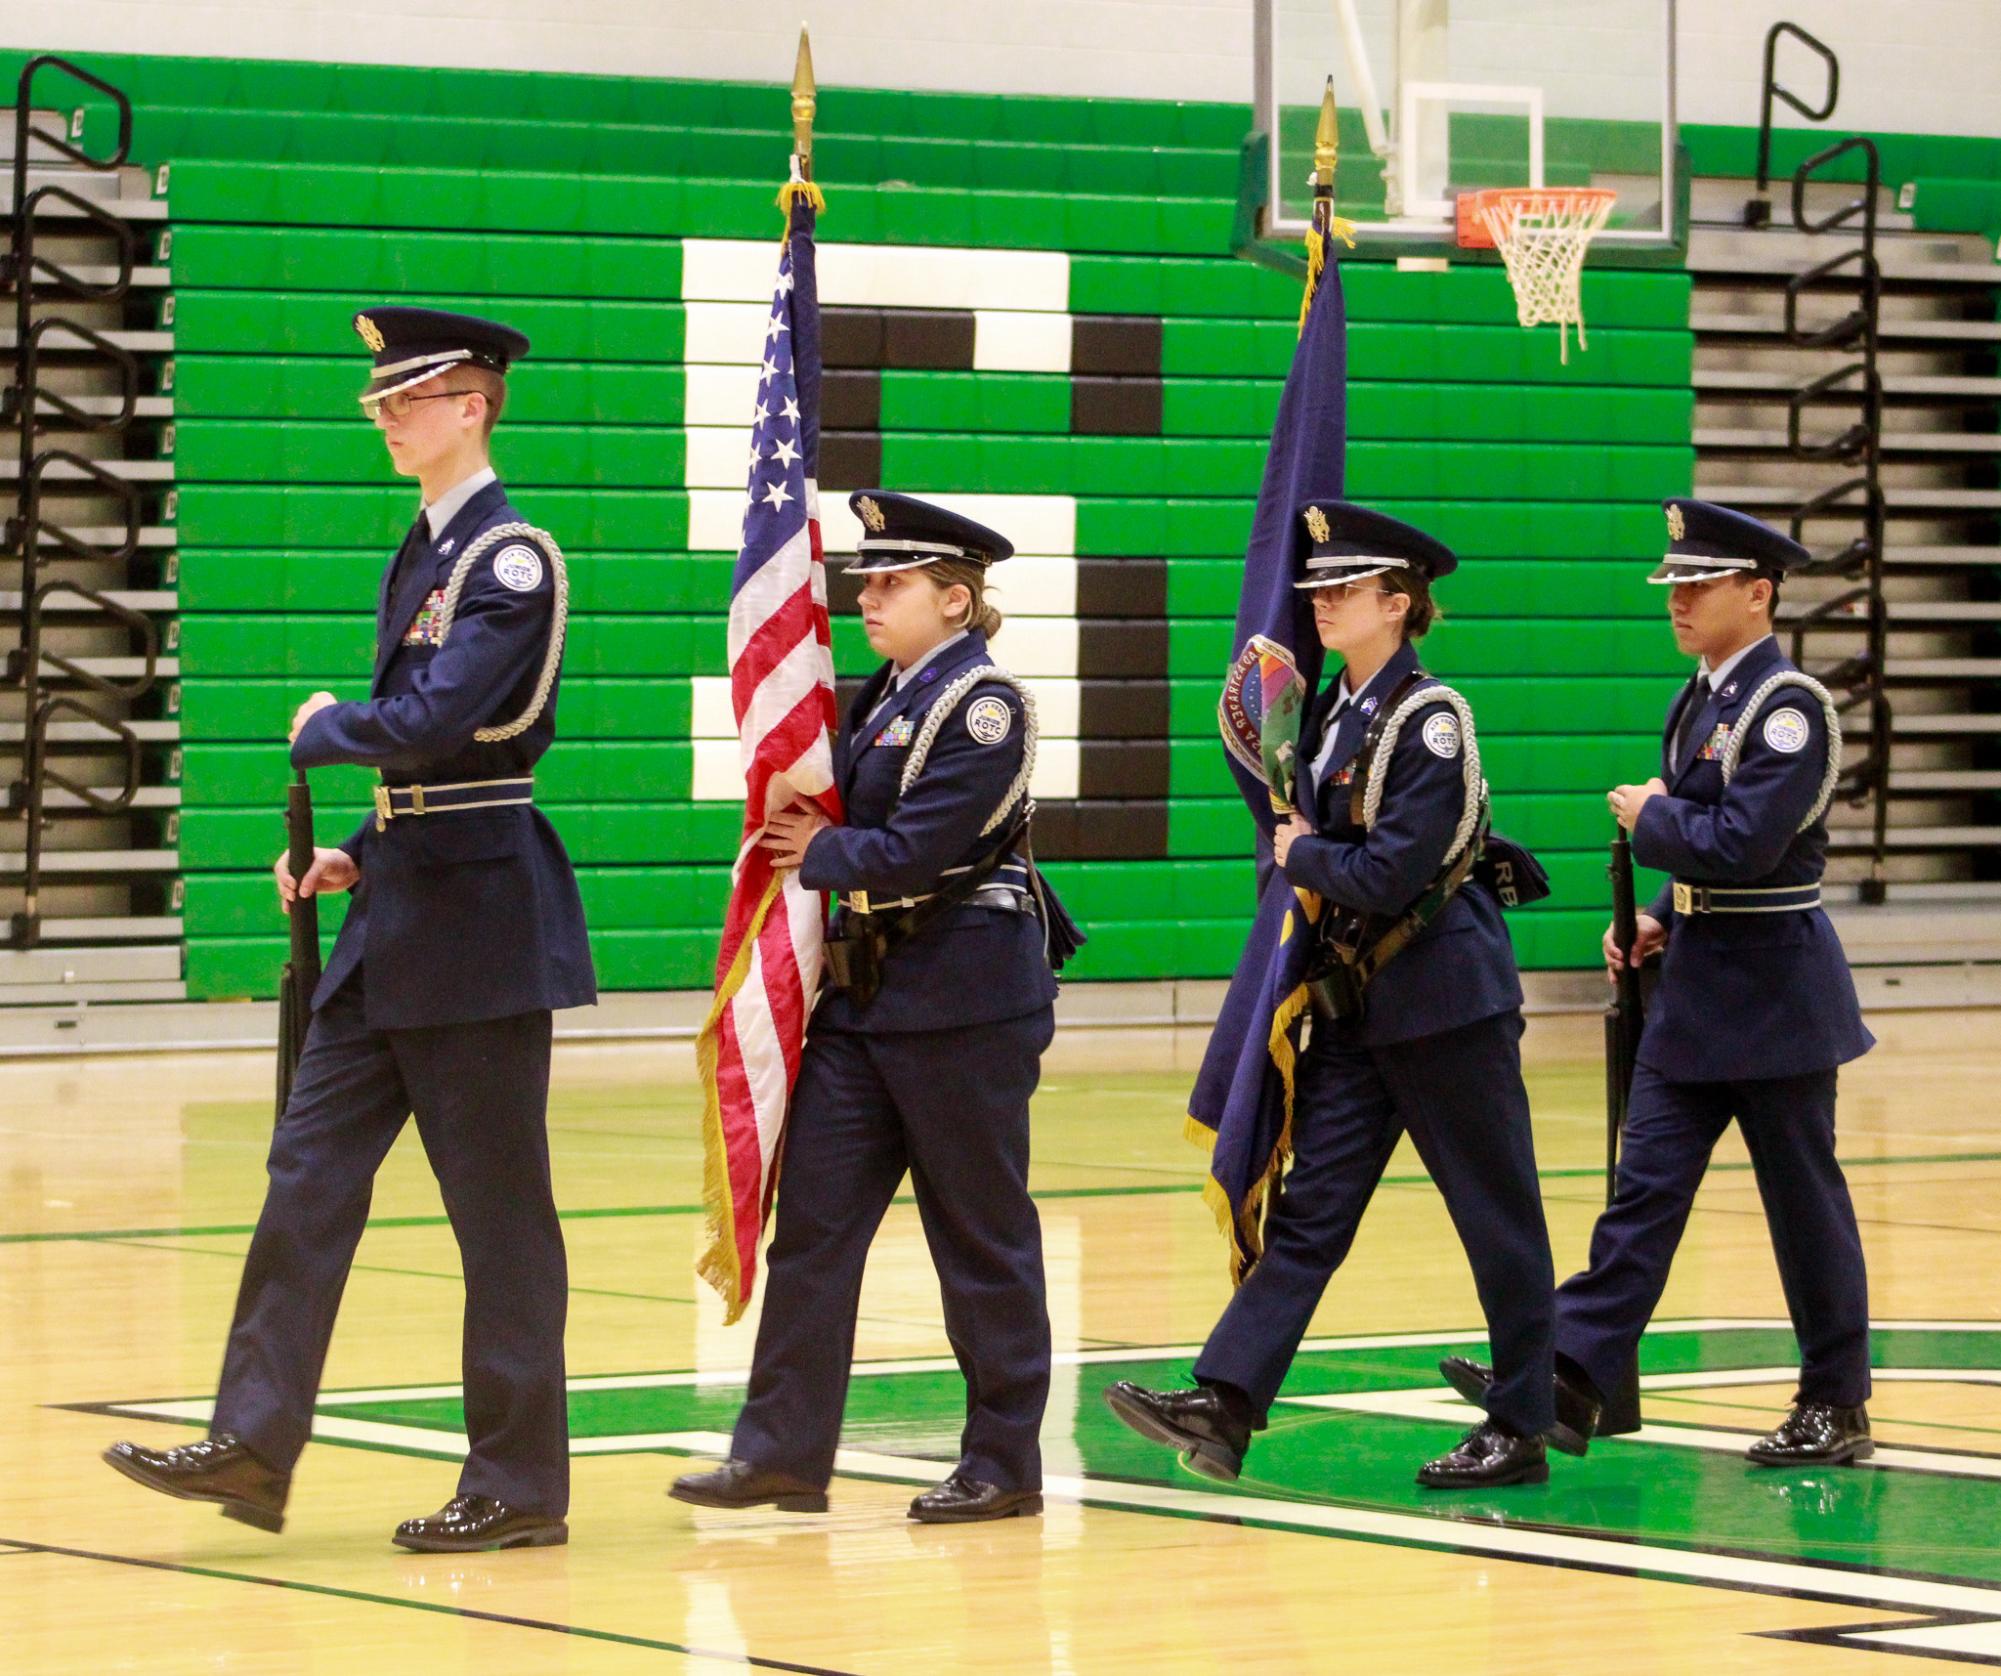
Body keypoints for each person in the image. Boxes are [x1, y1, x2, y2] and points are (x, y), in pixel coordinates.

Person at [104, 307, 596, 1551]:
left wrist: (328, 722)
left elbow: (439, 716)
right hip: (399, 905)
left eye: (408, 398)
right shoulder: (426, 549)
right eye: (381, 400)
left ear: (474, 403)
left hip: (480, 919)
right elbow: (425, 757)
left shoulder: (511, 556)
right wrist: (352, 852)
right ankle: (254, 1442)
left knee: (499, 1219)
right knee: (304, 1179)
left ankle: (520, 1484)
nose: (386, 415)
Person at [1106, 501, 1562, 1489]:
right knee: (1312, 1212)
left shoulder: (1429, 720)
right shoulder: (1334, 716)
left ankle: (1523, 1420)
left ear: (1397, 605)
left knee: (1496, 1213)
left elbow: (1396, 868)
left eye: (1344, 588)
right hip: (1363, 1006)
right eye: (1315, 586)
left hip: (1447, 1003)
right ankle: (1225, 1401)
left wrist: (1305, 851)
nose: (1319, 601)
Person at [670, 490, 1080, 1523]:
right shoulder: (882, 697)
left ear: (956, 597)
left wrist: (824, 852)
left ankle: (1002, 1461)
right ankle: (781, 1453)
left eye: (893, 581)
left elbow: (920, 851)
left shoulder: (986, 705)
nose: (869, 595)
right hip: (866, 1006)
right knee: (813, 1227)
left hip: (961, 1006)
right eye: (867, 578)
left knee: (977, 1238)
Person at [1441, 498, 1875, 1467]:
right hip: (1696, 987)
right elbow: (1710, 859)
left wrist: (1652, 821)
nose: (1678, 598)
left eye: (1699, 582)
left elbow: (1749, 844)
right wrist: (1657, 918)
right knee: (1642, 1193)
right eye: (1674, 582)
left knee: (1804, 1208)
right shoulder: (1703, 698)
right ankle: (1573, 1369)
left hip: (1776, 998)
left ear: (1757, 594)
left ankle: (1834, 1401)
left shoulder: (1789, 706)